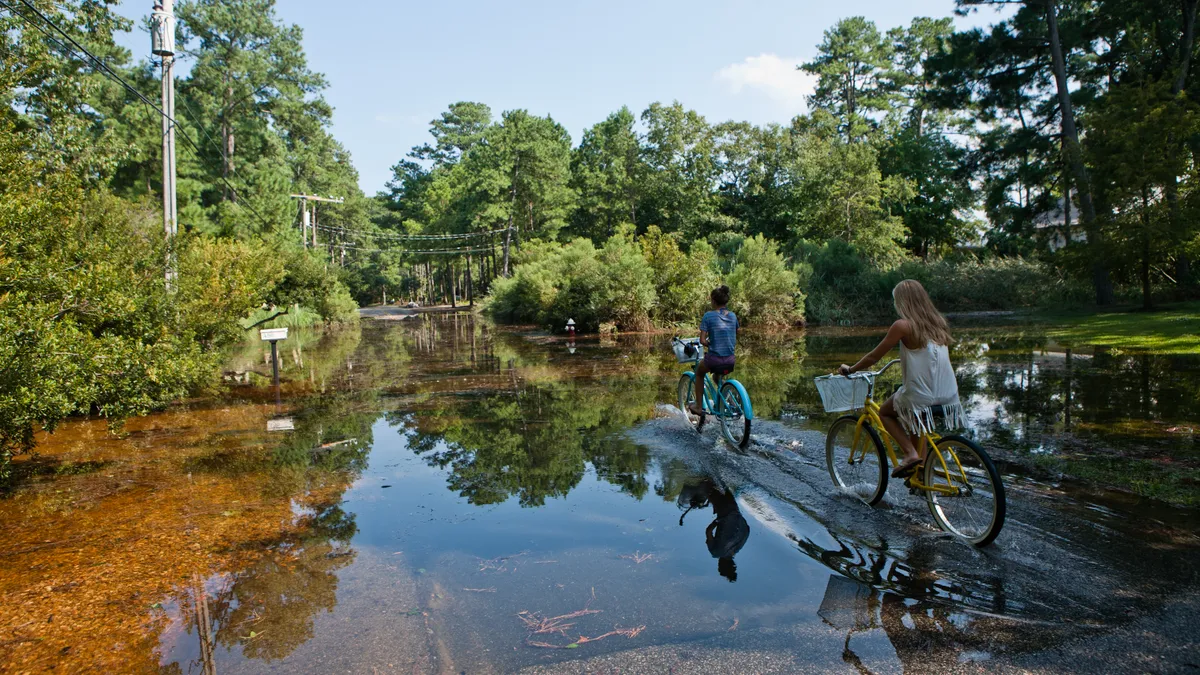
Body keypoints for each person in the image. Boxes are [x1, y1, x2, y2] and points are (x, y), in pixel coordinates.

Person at [837, 280, 964, 478]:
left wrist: (851, 369)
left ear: (903, 302)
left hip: (923, 395)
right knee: (916, 420)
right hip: (948, 394)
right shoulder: (938, 322)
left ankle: (910, 453)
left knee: (886, 413)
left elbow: (873, 357)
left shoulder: (903, 326)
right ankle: (921, 474)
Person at [689, 285, 739, 416]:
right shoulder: (733, 316)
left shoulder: (708, 316)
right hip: (730, 360)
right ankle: (728, 400)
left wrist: (709, 343)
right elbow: (733, 333)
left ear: (713, 300)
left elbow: (702, 340)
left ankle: (699, 407)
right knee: (717, 377)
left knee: (699, 373)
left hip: (714, 359)